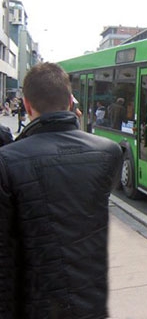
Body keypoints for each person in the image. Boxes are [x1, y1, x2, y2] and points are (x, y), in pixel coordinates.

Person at [0, 62, 122, 318]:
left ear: (27, 105)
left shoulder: (7, 161)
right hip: (91, 305)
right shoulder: (109, 152)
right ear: (70, 102)